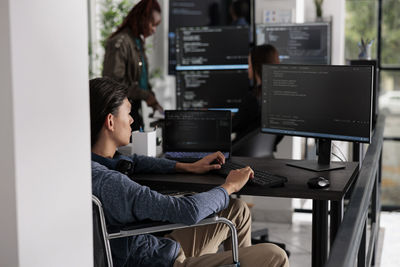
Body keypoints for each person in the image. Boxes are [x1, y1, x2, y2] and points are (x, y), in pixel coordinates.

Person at [90, 77, 289, 267]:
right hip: (161, 262)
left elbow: (134, 161)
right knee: (275, 256)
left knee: (237, 210)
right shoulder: (110, 182)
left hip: (160, 249)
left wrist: (187, 166)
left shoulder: (93, 163)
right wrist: (230, 186)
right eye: (128, 113)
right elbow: (187, 211)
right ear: (110, 121)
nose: (132, 120)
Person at [102, 0, 163, 131]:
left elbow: (141, 79)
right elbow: (113, 84)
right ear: (142, 18)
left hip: (133, 110)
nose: (153, 30)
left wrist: (152, 99)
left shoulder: (137, 42)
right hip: (121, 114)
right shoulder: (120, 42)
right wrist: (146, 96)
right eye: (153, 24)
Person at [232, 44, 283, 149]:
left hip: (241, 153)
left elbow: (232, 126)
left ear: (256, 66)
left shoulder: (253, 99)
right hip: (264, 153)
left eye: (249, 64)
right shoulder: (279, 99)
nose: (248, 68)